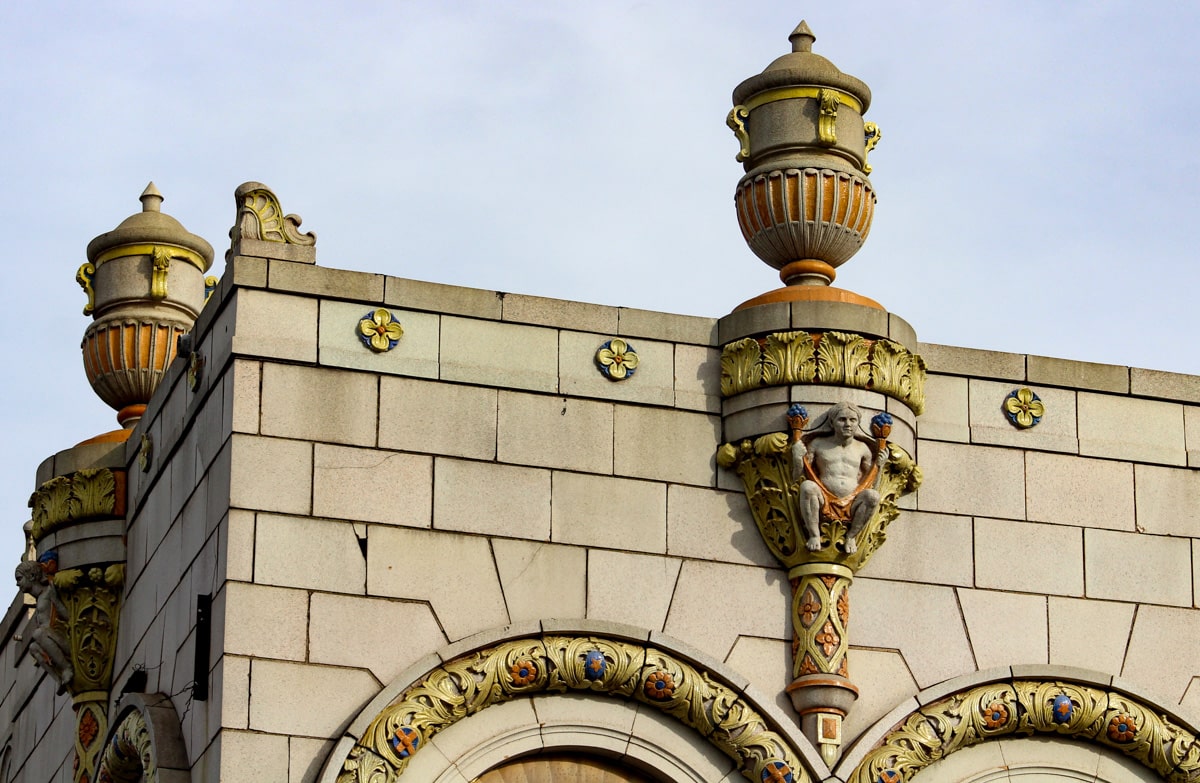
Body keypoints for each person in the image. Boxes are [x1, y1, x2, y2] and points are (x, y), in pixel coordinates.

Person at [791, 402, 886, 553]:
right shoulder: (817, 444)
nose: (848, 424)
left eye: (853, 420)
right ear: (832, 422)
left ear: (858, 423)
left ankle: (851, 536)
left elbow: (874, 484)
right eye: (842, 419)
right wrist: (797, 458)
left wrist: (880, 466)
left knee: (873, 496)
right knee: (807, 487)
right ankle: (814, 535)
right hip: (824, 499)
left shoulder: (863, 448)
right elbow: (797, 477)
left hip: (853, 502)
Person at [15, 561, 73, 693]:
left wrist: (56, 601)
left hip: (63, 640)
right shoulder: (40, 599)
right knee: (33, 647)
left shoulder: (48, 592)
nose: (17, 584)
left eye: (19, 578)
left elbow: (67, 615)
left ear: (32, 576)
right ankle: (58, 679)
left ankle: (66, 667)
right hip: (51, 642)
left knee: (38, 634)